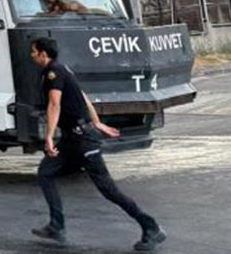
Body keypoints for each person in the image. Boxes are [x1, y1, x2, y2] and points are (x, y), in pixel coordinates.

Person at [29, 37, 165, 251]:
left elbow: (55, 104)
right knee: (46, 172)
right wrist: (97, 122)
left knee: (108, 190)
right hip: (71, 139)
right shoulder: (62, 69)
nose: (32, 55)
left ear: (43, 54)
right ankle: (56, 225)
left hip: (82, 140)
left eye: (34, 52)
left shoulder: (53, 72)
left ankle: (151, 227)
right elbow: (83, 97)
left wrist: (48, 136)